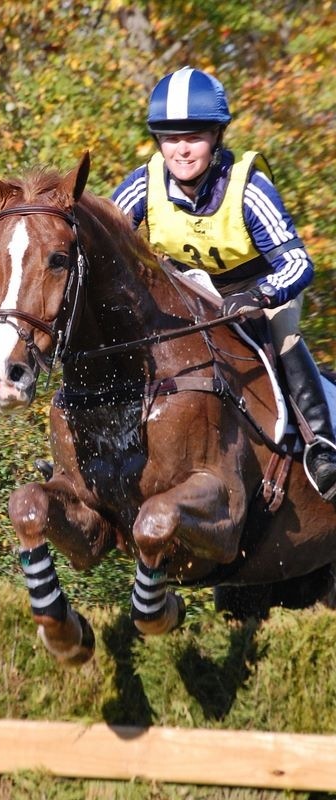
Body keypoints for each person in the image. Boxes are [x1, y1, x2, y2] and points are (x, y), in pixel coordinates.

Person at [111, 65, 336, 503]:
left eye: (193, 137)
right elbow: (104, 240)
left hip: (258, 290)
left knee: (284, 336)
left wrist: (258, 296)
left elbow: (297, 263)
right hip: (190, 294)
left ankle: (321, 445)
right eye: (170, 138)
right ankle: (100, 440)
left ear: (216, 137)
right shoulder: (143, 185)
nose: (181, 150)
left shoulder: (248, 188)